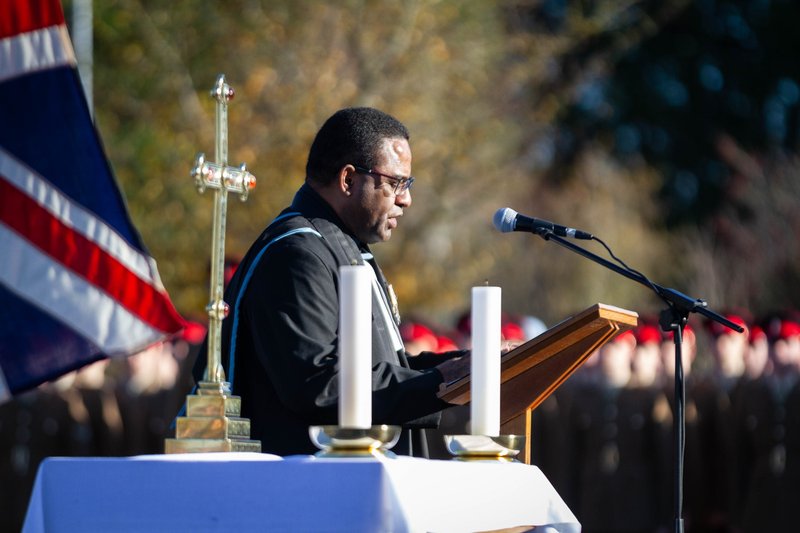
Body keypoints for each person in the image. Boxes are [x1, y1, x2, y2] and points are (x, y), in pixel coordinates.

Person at [192, 107, 469, 456]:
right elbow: (319, 384)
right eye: (396, 183)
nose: (406, 199)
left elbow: (377, 370)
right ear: (348, 180)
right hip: (310, 493)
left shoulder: (343, 248)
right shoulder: (297, 254)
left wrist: (466, 368)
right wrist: (441, 382)